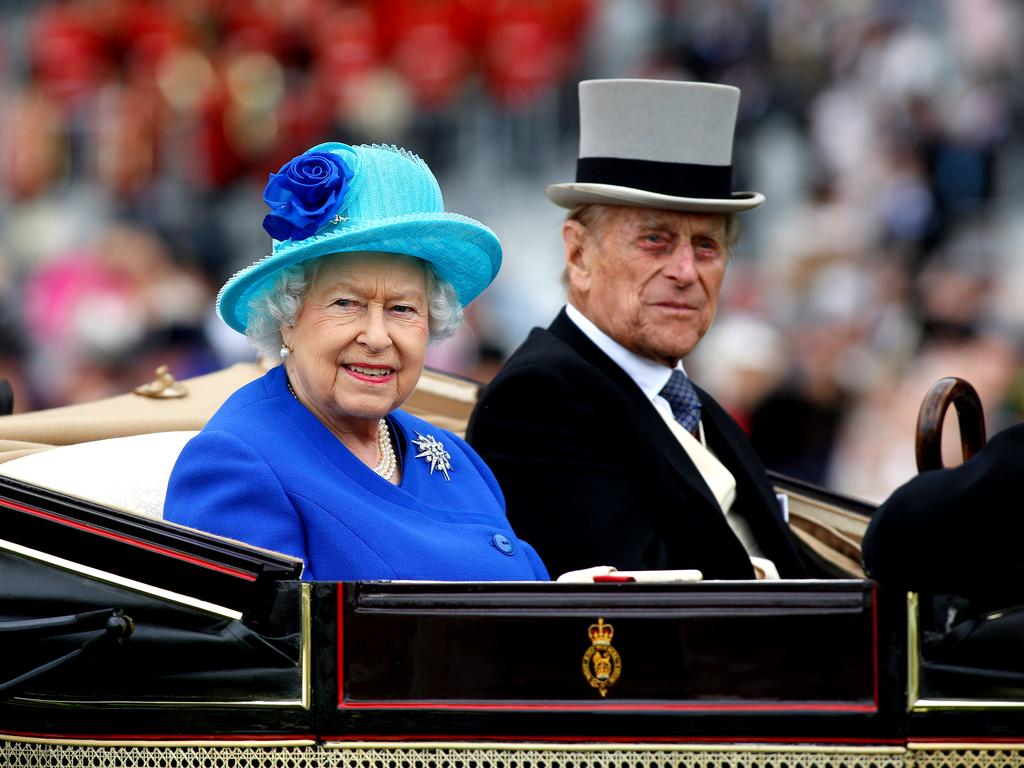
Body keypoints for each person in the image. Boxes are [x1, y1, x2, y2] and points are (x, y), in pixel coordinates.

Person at [467, 79, 806, 580]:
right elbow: (632, 619)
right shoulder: (538, 401)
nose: (686, 271)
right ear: (579, 255)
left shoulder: (689, 402)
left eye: (707, 246)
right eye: (655, 240)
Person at [164, 142, 548, 582]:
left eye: (403, 309)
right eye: (346, 303)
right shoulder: (235, 464)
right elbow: (268, 648)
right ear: (287, 317)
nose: (378, 337)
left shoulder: (458, 457)